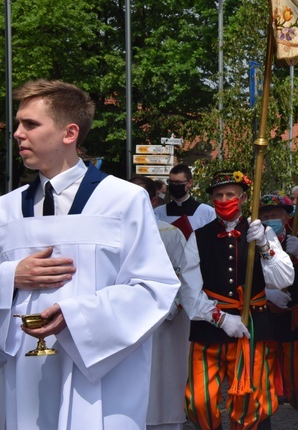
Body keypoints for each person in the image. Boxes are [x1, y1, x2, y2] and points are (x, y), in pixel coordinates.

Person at [0, 79, 180, 429]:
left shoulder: (122, 200)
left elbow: (154, 288)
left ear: (70, 133)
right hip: (22, 375)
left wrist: (77, 316)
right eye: (18, 124)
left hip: (99, 375)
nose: (18, 134)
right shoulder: (6, 209)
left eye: (31, 124)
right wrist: (11, 276)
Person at [185, 171, 294, 430]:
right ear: (212, 199)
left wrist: (265, 246)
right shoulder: (198, 236)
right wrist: (220, 319)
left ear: (243, 198)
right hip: (209, 327)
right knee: (198, 401)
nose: (224, 199)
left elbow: (284, 278)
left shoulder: (262, 232)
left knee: (248, 402)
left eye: (230, 194)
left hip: (251, 326)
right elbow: (189, 290)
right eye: (219, 195)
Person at [131, 175, 212, 430]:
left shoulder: (169, 234)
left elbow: (183, 277)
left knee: (163, 381)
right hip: (128, 319)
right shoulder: (115, 232)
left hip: (165, 320)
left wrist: (164, 309)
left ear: (153, 200)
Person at [258, 192, 298, 428]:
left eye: (275, 215)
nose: (270, 219)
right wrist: (266, 293)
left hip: (293, 322)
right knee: (260, 385)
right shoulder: (252, 245)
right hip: (263, 321)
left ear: (285, 217)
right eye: (265, 216)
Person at [154, 163, 215, 237]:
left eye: (178, 182)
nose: (174, 186)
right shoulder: (158, 213)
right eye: (171, 182)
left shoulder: (207, 212)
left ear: (190, 183)